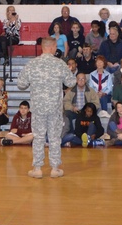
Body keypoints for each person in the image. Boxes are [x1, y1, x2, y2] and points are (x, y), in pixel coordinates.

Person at [17, 37, 77, 178]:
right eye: (56, 46)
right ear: (51, 47)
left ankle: (37, 169)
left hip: (38, 108)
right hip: (54, 108)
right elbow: (71, 82)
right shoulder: (59, 64)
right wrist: (70, 71)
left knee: (38, 137)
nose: (56, 49)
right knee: (55, 137)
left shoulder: (32, 64)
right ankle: (55, 169)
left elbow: (21, 84)